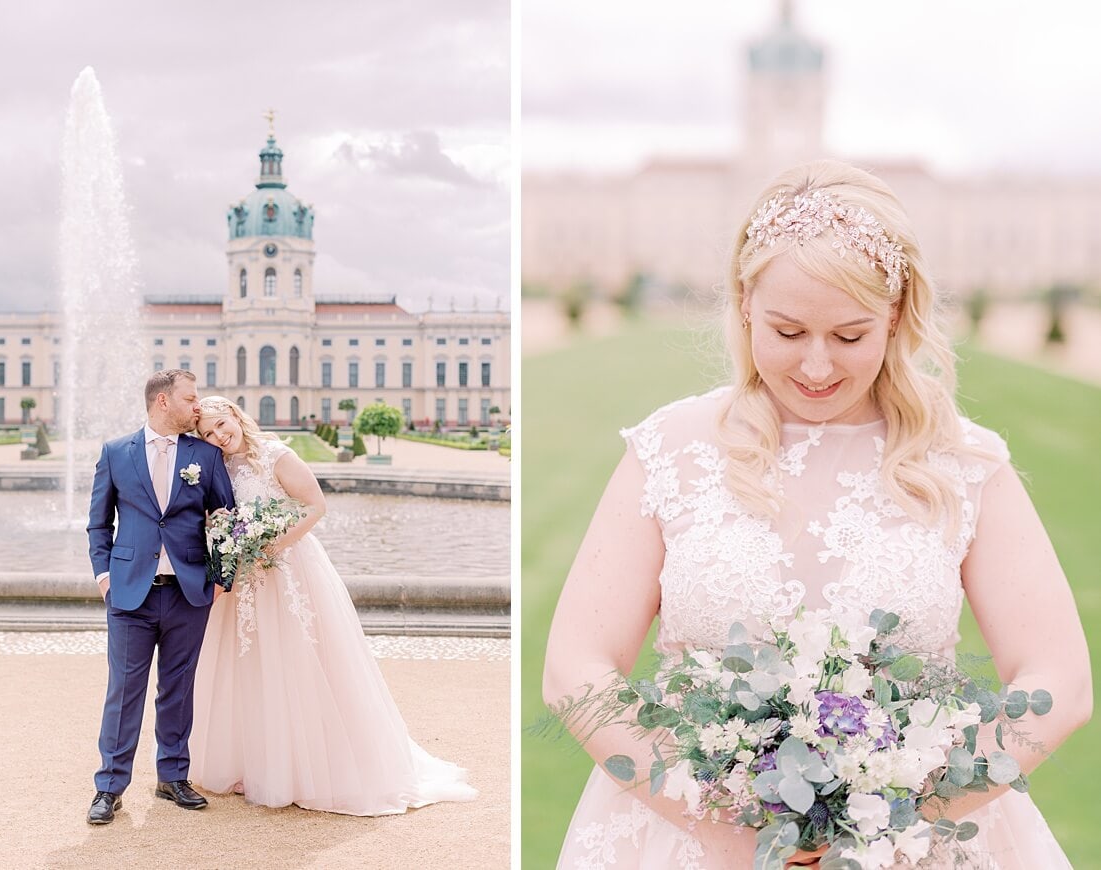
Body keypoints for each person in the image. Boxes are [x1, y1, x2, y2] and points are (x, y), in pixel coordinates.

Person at [542, 160, 1092, 868]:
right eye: (788, 330)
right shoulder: (670, 450)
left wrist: (898, 821)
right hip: (689, 837)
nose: (817, 366)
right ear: (744, 304)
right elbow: (574, 669)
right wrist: (715, 822)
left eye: (851, 336)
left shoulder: (963, 463)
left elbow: (1060, 681)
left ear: (895, 316)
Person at [187, 396, 478, 813]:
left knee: (299, 663)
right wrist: (231, 547)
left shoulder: (276, 455)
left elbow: (315, 506)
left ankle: (311, 768)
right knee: (251, 666)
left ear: (235, 414)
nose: (218, 436)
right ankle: (256, 763)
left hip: (288, 569)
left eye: (220, 424)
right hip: (248, 578)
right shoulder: (221, 467)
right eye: (208, 433)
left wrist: (272, 547)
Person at [86, 369, 235, 824]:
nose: (199, 407)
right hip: (130, 595)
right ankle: (109, 787)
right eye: (191, 399)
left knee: (178, 689)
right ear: (163, 402)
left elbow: (226, 518)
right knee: (124, 691)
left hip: (188, 595)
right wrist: (104, 578)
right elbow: (98, 523)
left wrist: (219, 574)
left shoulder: (205, 456)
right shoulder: (115, 453)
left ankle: (172, 777)